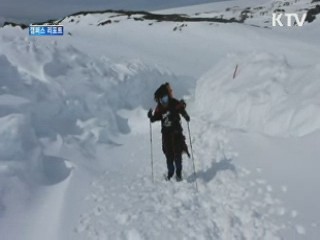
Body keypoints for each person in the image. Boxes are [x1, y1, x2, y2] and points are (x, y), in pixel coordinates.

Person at [148, 82, 190, 181]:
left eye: (166, 98)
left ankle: (178, 173)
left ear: (168, 96)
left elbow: (181, 109)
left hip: (176, 133)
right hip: (166, 135)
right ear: (159, 100)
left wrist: (186, 116)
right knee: (169, 155)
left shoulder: (174, 103)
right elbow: (155, 118)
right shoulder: (159, 108)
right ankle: (170, 172)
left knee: (177, 154)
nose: (164, 101)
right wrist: (151, 116)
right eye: (162, 99)